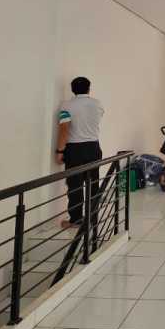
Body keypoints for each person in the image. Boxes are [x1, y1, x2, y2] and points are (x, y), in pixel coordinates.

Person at [55, 77, 105, 227]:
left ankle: (76, 220)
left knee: (75, 185)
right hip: (94, 147)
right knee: (93, 184)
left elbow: (64, 129)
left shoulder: (67, 106)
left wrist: (59, 151)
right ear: (89, 89)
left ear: (72, 89)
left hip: (75, 149)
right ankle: (93, 217)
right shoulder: (97, 104)